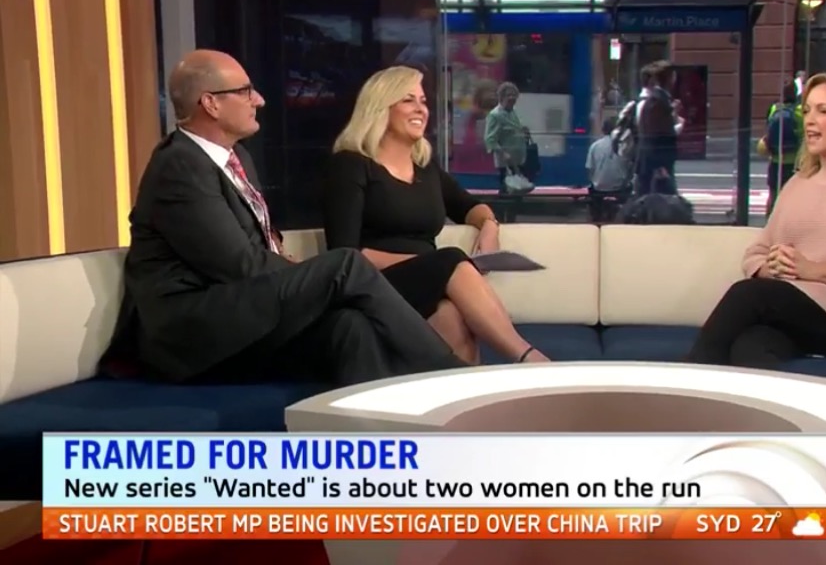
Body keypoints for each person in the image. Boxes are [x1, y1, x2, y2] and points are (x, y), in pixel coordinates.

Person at [102, 50, 467, 385]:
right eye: (244, 91)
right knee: (345, 265)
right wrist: (310, 278)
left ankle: (380, 425)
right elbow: (239, 264)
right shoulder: (180, 166)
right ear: (211, 103)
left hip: (240, 307)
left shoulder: (238, 158)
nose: (259, 100)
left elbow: (257, 246)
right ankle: (450, 377)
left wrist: (305, 280)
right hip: (192, 330)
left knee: (350, 325)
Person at [685, 71, 826, 369]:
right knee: (752, 344)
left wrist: (812, 270)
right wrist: (771, 267)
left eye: (823, 111)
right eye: (807, 111)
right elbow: (758, 251)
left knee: (748, 294)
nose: (809, 121)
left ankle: (687, 380)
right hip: (796, 307)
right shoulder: (799, 182)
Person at [322, 66, 550, 365]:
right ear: (380, 107)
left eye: (423, 101)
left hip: (429, 283)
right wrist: (429, 264)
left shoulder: (425, 168)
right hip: (375, 284)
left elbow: (469, 206)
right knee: (451, 259)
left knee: (454, 316)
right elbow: (345, 253)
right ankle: (529, 359)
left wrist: (489, 226)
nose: (421, 109)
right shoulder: (351, 165)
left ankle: (467, 390)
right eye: (408, 100)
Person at [634, 60, 680, 196]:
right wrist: (661, 167)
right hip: (656, 166)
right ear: (670, 78)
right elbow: (657, 136)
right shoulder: (657, 101)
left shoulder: (659, 100)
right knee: (659, 201)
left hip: (655, 164)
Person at [759, 83, 803, 213]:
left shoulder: (774, 109)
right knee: (793, 197)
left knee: (773, 194)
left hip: (775, 160)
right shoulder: (800, 111)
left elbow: (768, 129)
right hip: (794, 162)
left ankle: (770, 220)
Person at [484, 81, 531, 193]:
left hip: (518, 159)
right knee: (507, 191)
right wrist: (502, 153)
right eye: (509, 95)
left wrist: (523, 131)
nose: (512, 98)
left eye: (514, 95)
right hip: (506, 162)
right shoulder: (495, 115)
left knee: (518, 192)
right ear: (501, 97)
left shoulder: (514, 112)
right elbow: (490, 139)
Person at [585, 117, 632, 222]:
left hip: (599, 189)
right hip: (619, 189)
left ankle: (596, 219)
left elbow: (590, 169)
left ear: (603, 130)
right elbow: (629, 169)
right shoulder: (624, 146)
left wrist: (596, 181)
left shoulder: (594, 146)